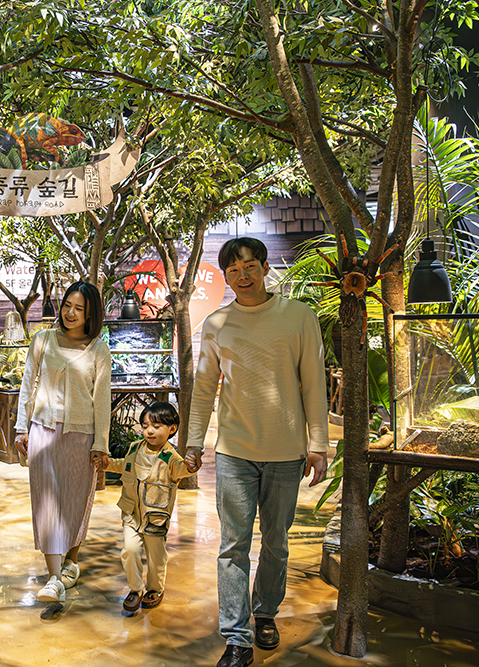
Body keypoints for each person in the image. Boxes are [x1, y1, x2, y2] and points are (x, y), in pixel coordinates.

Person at [183, 237, 329, 667]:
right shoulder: (216, 323)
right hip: (233, 451)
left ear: (265, 268)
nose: (242, 276)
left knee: (277, 544)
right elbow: (205, 387)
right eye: (233, 270)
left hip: (286, 452)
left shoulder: (298, 317)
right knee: (232, 546)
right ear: (225, 276)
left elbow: (313, 384)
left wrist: (318, 444)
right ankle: (236, 637)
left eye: (250, 266)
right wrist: (194, 441)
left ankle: (265, 612)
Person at [14, 281, 112, 604]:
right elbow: (28, 385)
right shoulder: (43, 341)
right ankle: (54, 579)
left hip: (81, 436)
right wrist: (20, 428)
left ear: (90, 314)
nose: (70, 313)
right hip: (43, 431)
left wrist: (101, 442)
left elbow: (102, 400)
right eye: (67, 305)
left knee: (75, 502)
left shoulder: (99, 350)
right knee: (47, 505)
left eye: (79, 308)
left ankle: (71, 563)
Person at [105, 401, 196, 613]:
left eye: (156, 426)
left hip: (156, 516)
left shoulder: (170, 457)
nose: (149, 431)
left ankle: (155, 588)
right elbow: (123, 465)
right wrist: (106, 463)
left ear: (172, 429)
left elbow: (183, 470)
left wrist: (192, 466)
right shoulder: (135, 448)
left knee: (156, 556)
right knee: (130, 550)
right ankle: (135, 589)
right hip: (131, 512)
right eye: (145, 426)